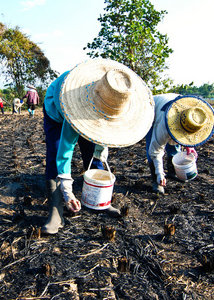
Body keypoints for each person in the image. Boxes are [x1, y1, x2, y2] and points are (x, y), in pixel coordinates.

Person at [42, 58, 155, 234]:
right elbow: (65, 151)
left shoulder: (113, 96)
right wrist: (68, 193)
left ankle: (99, 201)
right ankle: (55, 211)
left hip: (97, 108)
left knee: (92, 150)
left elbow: (103, 139)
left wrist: (101, 151)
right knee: (55, 152)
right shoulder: (76, 106)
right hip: (57, 112)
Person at [146, 93, 214, 194]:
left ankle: (172, 171)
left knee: (176, 143)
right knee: (152, 145)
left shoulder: (193, 114)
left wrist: (190, 146)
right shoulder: (162, 125)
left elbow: (189, 130)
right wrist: (159, 173)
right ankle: (156, 180)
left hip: (175, 110)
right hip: (151, 110)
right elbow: (156, 151)